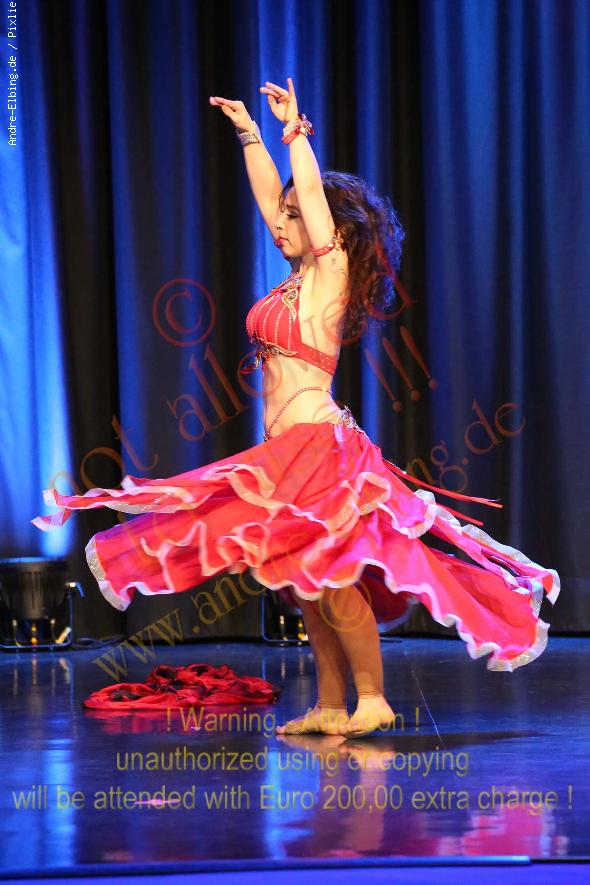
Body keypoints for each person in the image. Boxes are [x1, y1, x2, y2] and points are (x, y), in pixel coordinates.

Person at [32, 77, 560, 738]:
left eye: (293, 217)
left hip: (321, 450)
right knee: (305, 582)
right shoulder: (293, 279)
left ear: (327, 229)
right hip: (285, 453)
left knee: (333, 581)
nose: (280, 224)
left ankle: (374, 697)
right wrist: (250, 135)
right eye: (281, 218)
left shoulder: (329, 274)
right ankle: (331, 702)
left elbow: (307, 195)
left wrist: (295, 134)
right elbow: (272, 198)